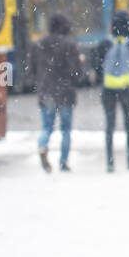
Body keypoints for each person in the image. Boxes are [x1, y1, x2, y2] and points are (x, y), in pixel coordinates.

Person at [30, 13, 83, 173]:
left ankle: (42, 146)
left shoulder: (38, 44)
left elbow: (32, 69)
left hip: (46, 91)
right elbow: (77, 73)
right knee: (66, 129)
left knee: (47, 126)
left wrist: (41, 82)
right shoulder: (70, 45)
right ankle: (63, 161)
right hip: (65, 92)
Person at [97, 11, 129, 172]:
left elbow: (97, 66)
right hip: (126, 88)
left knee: (110, 126)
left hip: (108, 88)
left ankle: (110, 162)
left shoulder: (105, 43)